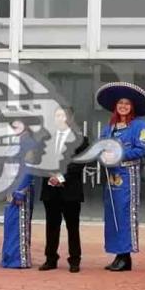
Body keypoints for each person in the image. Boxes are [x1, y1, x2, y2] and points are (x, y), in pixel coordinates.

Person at [96, 82, 145, 272]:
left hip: (128, 175)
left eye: (127, 103)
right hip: (112, 177)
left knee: (125, 214)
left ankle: (125, 255)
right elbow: (101, 147)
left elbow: (141, 149)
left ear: (132, 107)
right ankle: (117, 254)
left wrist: (119, 155)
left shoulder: (139, 125)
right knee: (112, 214)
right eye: (120, 103)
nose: (123, 106)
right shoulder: (109, 127)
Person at [39, 107, 88, 273]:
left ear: (70, 118)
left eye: (63, 115)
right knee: (51, 226)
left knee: (72, 227)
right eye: (57, 115)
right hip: (50, 189)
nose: (60, 118)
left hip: (70, 190)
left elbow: (79, 163)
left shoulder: (81, 140)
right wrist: (51, 176)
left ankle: (74, 260)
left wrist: (61, 177)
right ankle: (50, 258)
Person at [1, 123, 39, 269]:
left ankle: (20, 259)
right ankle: (9, 257)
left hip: (21, 189)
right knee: (10, 224)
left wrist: (21, 189)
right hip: (10, 187)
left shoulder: (28, 141)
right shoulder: (14, 140)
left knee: (19, 224)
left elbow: (29, 167)